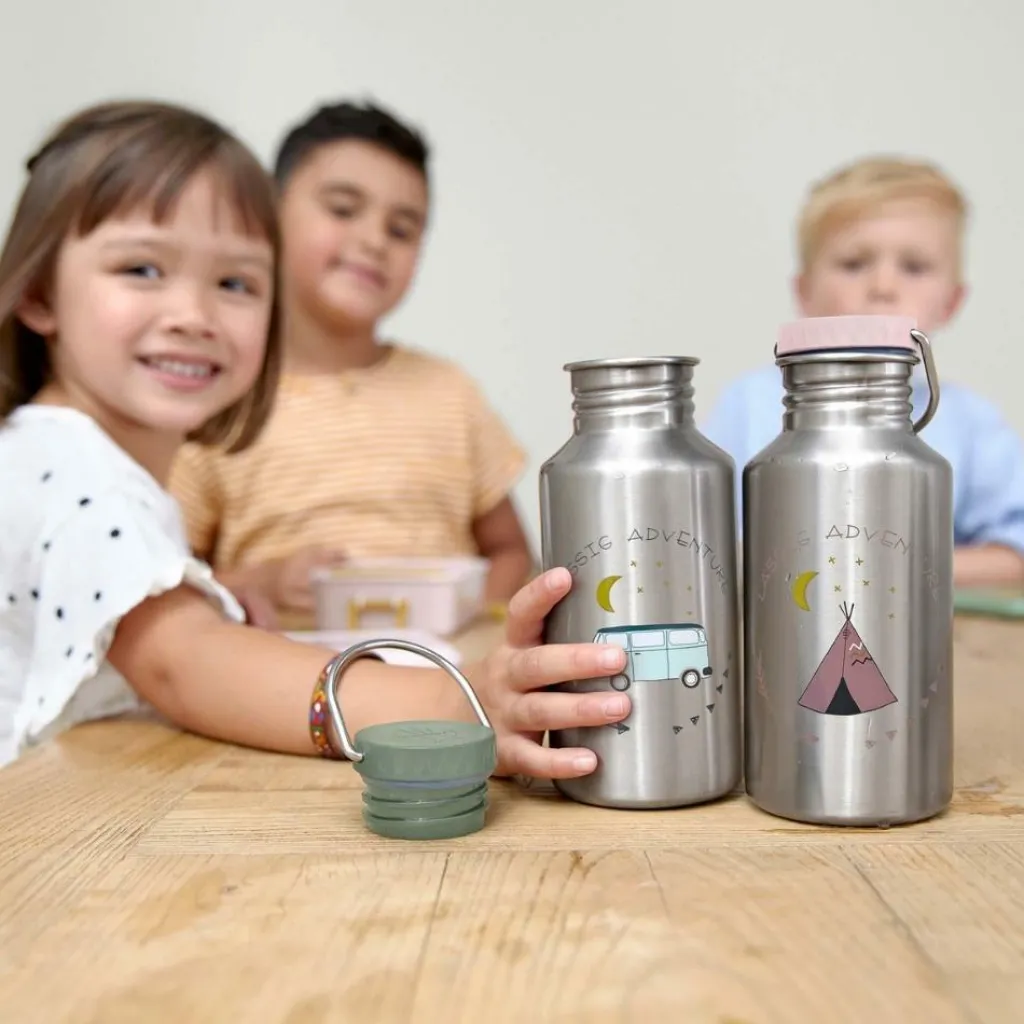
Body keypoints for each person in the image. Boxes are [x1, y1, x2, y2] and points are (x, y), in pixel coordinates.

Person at [0, 99, 629, 773]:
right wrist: (457, 702)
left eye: (234, 282)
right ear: (38, 291)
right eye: (142, 269)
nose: (194, 315)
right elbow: (184, 662)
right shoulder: (77, 478)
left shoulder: (69, 462)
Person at [168, 101, 533, 625]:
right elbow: (169, 582)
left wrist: (472, 617)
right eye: (342, 210)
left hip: (440, 668)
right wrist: (259, 583)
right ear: (268, 216)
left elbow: (511, 551)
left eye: (401, 230)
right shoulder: (220, 403)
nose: (374, 241)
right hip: (280, 670)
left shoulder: (450, 393)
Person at [701, 156, 1024, 588]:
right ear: (805, 292)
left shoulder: (971, 423)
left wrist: (884, 565)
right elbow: (710, 545)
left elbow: (1014, 555)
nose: (883, 287)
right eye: (853, 264)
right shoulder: (748, 404)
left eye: (914, 267)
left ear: (951, 302)